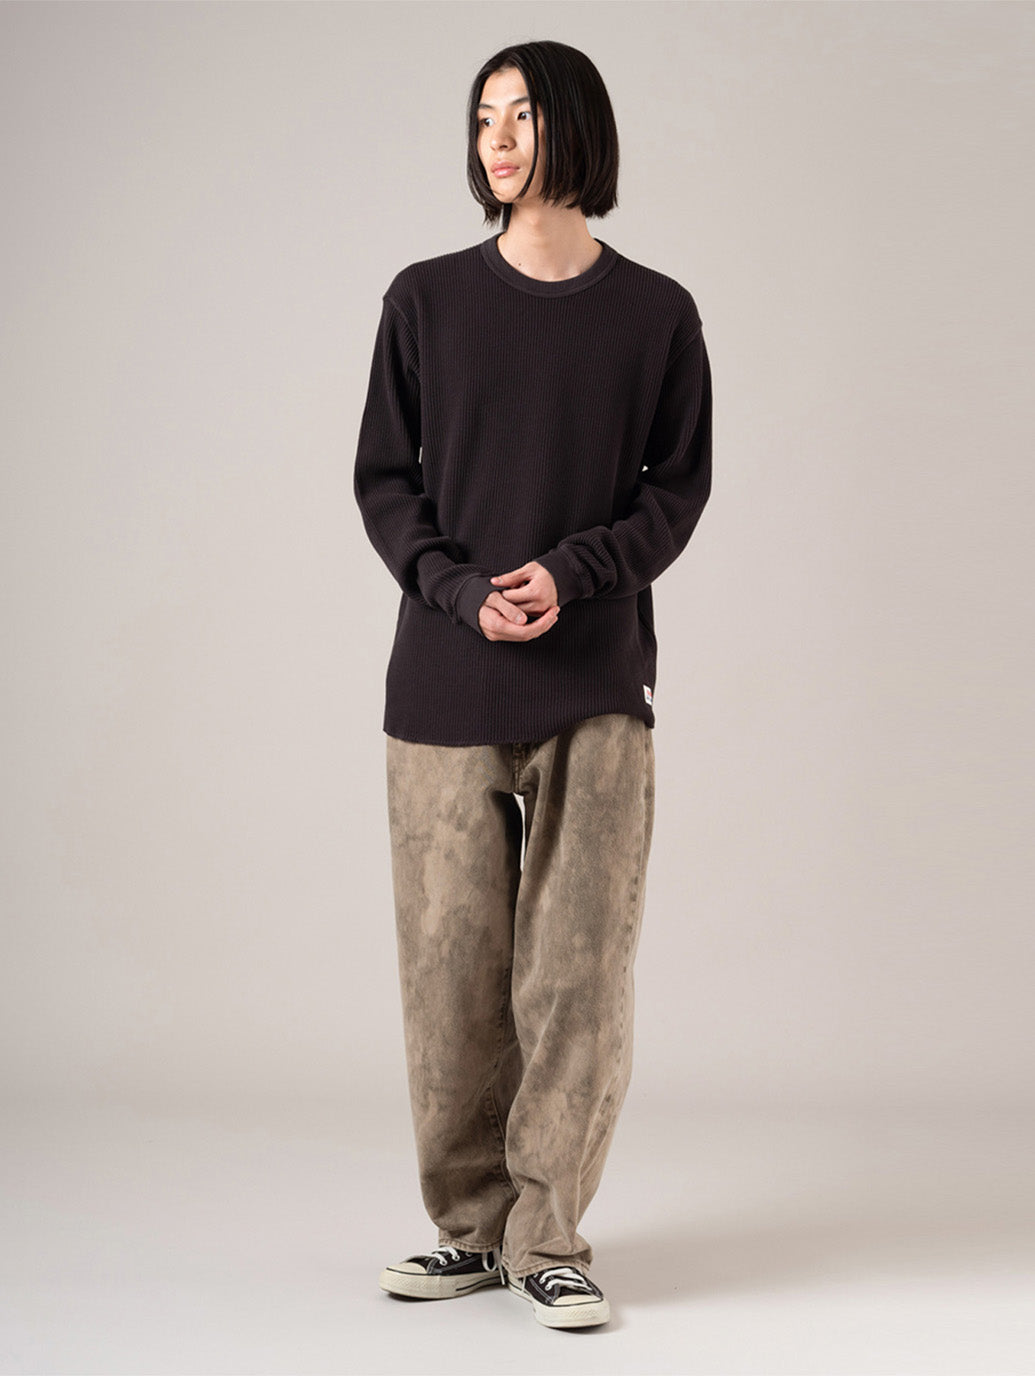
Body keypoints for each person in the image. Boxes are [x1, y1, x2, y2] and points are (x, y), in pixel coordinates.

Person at [353, 38, 712, 1330]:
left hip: (596, 679)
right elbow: (385, 481)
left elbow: (676, 492)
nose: (498, 138)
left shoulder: (656, 314)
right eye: (483, 118)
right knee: (451, 974)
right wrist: (459, 591)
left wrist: (571, 573)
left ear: (578, 128)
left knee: (578, 974)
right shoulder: (425, 300)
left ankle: (548, 1236)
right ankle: (470, 1231)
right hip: (445, 681)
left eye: (522, 114)